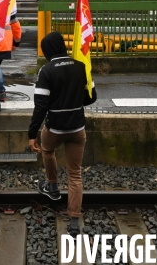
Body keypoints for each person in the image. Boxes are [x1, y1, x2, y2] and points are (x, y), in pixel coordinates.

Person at [27, 31, 97, 237]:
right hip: (77, 129)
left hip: (55, 128)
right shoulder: (81, 66)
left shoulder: (46, 71)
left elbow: (40, 106)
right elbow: (91, 98)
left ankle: (52, 186)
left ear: (48, 50)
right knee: (75, 174)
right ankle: (74, 221)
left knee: (47, 151)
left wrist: (32, 133)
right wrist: (73, 101)